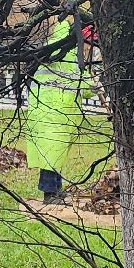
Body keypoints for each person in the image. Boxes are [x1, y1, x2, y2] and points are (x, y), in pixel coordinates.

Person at [25, 17, 89, 205]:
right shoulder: (71, 56)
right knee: (53, 155)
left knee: (53, 154)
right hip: (58, 113)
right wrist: (94, 85)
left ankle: (56, 190)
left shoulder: (47, 50)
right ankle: (50, 194)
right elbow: (83, 86)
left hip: (43, 112)